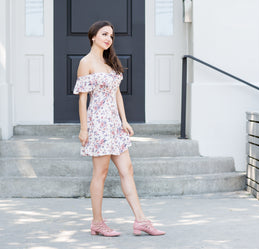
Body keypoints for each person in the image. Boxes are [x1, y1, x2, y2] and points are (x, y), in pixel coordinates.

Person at [73, 20, 165, 237]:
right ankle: (97, 222)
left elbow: (117, 94)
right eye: (104, 34)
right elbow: (82, 99)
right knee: (101, 174)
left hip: (114, 125)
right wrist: (84, 129)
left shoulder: (109, 62)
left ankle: (141, 220)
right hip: (98, 124)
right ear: (93, 36)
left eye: (111, 36)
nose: (108, 39)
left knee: (128, 170)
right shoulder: (86, 62)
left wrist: (124, 121)